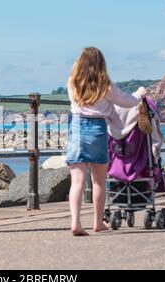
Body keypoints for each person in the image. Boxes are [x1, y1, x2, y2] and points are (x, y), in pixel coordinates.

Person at [65, 47, 147, 236]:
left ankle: (75, 222)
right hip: (97, 129)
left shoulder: (72, 82)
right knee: (98, 182)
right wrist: (140, 93)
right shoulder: (105, 84)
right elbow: (126, 101)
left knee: (76, 182)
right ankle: (97, 222)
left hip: (76, 127)